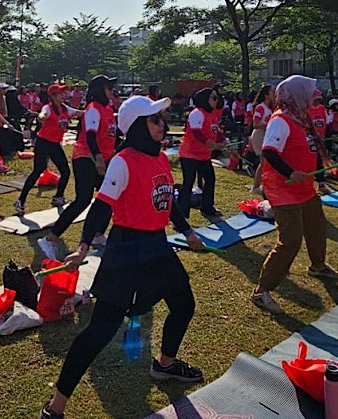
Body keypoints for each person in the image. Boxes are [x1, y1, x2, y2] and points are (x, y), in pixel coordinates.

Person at [39, 96, 205, 419]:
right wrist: (84, 246)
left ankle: (165, 364)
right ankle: (56, 404)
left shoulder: (159, 158)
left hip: (157, 247)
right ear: (139, 126)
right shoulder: (123, 161)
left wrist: (188, 231)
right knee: (100, 331)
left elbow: (168, 202)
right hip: (127, 251)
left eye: (162, 117)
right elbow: (101, 208)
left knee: (184, 304)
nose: (163, 124)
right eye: (156, 119)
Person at [251, 75, 338, 314]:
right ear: (297, 94)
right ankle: (262, 291)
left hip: (303, 186)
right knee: (290, 241)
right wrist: (290, 171)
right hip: (283, 188)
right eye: (309, 91)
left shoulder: (301, 118)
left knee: (317, 226)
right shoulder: (281, 120)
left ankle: (318, 266)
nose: (315, 95)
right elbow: (270, 153)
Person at [37, 75, 117, 260]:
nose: (113, 90)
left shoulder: (107, 109)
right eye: (109, 87)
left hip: (101, 158)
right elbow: (90, 136)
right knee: (83, 200)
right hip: (86, 157)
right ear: (100, 89)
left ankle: (97, 234)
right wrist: (98, 159)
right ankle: (50, 238)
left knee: (109, 197)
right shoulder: (93, 110)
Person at [14, 84, 83, 215]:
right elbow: (43, 114)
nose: (64, 95)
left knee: (65, 171)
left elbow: (80, 113)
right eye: (60, 93)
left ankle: (58, 197)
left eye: (64, 93)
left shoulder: (65, 108)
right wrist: (41, 117)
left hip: (55, 144)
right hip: (43, 143)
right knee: (37, 171)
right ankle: (20, 200)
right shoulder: (49, 107)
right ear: (53, 96)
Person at [178, 88, 227, 218]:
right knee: (188, 182)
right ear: (205, 99)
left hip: (203, 155)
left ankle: (207, 208)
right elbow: (197, 133)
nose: (216, 101)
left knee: (210, 179)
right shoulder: (197, 113)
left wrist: (224, 141)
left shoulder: (212, 114)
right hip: (189, 154)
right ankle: (182, 214)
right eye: (214, 98)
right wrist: (214, 145)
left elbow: (216, 131)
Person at [307, 90, 334, 195]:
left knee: (319, 161)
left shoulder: (322, 109)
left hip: (319, 139)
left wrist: (323, 136)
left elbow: (325, 123)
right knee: (309, 162)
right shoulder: (306, 109)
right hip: (309, 139)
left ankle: (322, 184)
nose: (317, 102)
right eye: (315, 100)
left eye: (319, 100)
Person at [250, 85, 274, 195]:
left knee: (267, 162)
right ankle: (256, 186)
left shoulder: (269, 108)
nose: (274, 93)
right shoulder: (260, 107)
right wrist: (270, 124)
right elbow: (256, 124)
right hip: (259, 136)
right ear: (266, 95)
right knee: (263, 162)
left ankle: (264, 184)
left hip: (266, 135)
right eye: (272, 92)